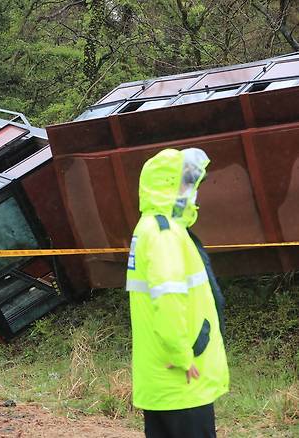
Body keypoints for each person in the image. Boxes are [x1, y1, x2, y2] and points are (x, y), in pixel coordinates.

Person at [126, 148, 229, 438]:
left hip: (163, 379)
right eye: (188, 185)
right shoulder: (164, 234)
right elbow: (169, 301)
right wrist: (184, 355)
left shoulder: (150, 227)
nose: (193, 193)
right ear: (171, 186)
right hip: (181, 378)